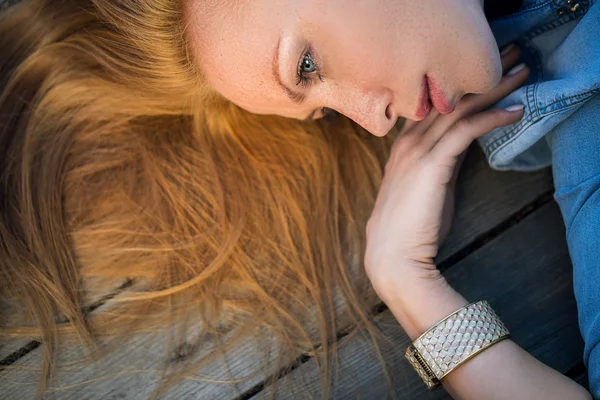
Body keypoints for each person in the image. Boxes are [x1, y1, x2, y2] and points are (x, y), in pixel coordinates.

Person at [0, 1, 596, 399]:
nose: (373, 121)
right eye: (323, 113)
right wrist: (406, 283)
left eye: (306, 65)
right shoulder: (584, 133)